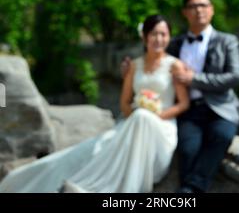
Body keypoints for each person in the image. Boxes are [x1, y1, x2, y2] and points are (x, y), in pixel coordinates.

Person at [0, 15, 189, 193]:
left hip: (162, 126)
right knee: (88, 150)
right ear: (145, 37)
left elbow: (183, 103)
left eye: (163, 34)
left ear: (169, 37)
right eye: (154, 34)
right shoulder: (134, 65)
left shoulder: (175, 65)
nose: (159, 39)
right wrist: (136, 117)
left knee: (142, 117)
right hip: (133, 121)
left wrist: (154, 116)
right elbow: (124, 102)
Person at [122, 0, 239, 194]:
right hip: (189, 111)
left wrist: (194, 79)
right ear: (184, 12)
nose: (199, 10)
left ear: (212, 10)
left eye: (203, 5)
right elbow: (152, 65)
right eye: (193, 6)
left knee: (221, 135)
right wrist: (127, 70)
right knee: (187, 149)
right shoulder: (175, 43)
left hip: (220, 108)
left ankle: (190, 190)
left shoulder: (227, 41)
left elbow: (235, 76)